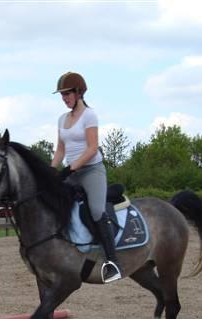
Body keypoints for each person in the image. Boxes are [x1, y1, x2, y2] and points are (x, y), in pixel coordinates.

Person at [50, 71, 122, 283]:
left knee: (97, 211)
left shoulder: (89, 115)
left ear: (79, 92)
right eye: (62, 94)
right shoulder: (62, 119)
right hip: (71, 171)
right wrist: (52, 170)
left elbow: (92, 149)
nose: (64, 98)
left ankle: (113, 263)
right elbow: (60, 150)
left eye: (67, 93)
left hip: (91, 170)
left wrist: (70, 169)